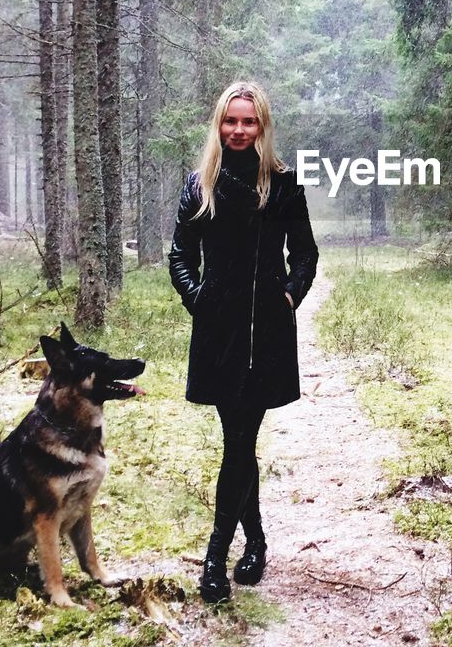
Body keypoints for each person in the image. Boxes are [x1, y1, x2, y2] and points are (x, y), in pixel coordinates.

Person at [168, 81, 318, 603]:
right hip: (218, 336)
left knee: (238, 442)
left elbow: (305, 255)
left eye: (248, 122)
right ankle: (254, 540)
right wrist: (199, 300)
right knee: (239, 444)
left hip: (264, 337)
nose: (238, 130)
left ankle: (216, 556)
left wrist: (290, 296)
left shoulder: (281, 186)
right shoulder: (198, 186)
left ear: (262, 127)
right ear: (219, 124)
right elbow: (179, 257)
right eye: (230, 121)